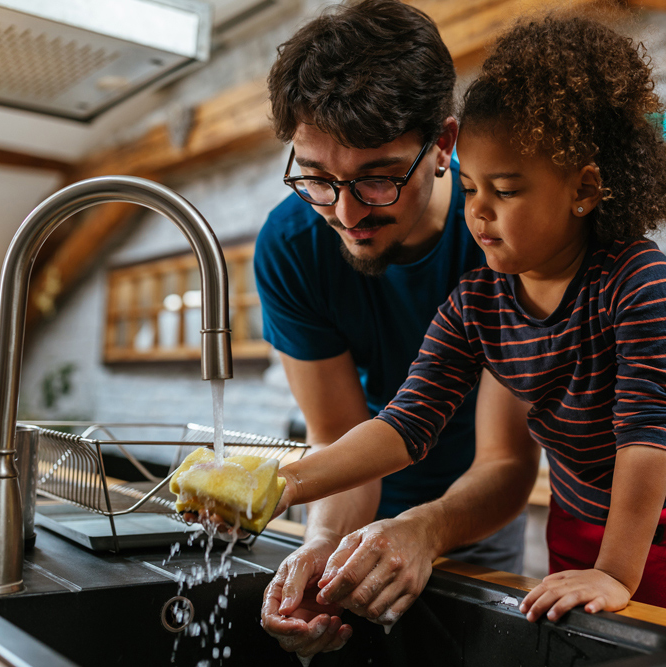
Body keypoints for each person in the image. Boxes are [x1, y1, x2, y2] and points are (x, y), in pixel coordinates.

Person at [273, 13, 666, 622]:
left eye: (506, 191)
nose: (479, 213)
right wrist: (282, 485)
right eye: (470, 191)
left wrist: (616, 571)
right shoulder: (479, 302)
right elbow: (403, 425)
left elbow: (645, 440)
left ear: (584, 189)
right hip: (579, 506)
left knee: (649, 644)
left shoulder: (639, 283)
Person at [252, 0, 539, 658]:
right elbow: (336, 437)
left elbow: (506, 460)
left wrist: (423, 529)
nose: (346, 211)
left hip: (475, 509)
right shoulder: (293, 244)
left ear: (442, 144)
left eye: (378, 178)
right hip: (356, 491)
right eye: (317, 178)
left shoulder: (501, 238)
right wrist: (322, 543)